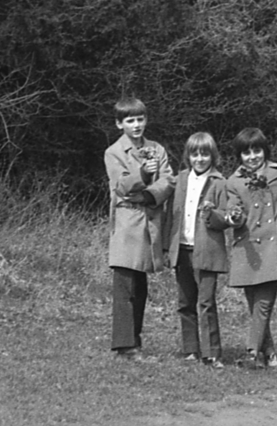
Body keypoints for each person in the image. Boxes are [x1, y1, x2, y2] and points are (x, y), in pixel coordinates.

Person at [105, 95, 174, 359]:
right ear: (119, 124)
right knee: (125, 286)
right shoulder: (113, 152)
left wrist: (147, 194)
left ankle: (134, 341)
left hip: (149, 224)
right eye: (130, 120)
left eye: (140, 119)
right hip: (126, 224)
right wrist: (143, 174)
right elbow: (121, 186)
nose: (136, 125)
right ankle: (124, 345)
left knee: (140, 287)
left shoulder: (157, 149)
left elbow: (169, 181)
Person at [221, 126, 277, 368]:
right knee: (256, 307)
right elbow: (234, 211)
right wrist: (234, 217)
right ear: (239, 155)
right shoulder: (233, 181)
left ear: (265, 150)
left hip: (272, 248)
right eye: (246, 152)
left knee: (263, 304)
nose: (252, 157)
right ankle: (270, 354)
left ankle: (252, 354)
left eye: (257, 150)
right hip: (247, 248)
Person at [166, 131, 231, 368]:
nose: (200, 159)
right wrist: (166, 246)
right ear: (188, 156)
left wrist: (213, 214)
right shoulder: (180, 179)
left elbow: (226, 216)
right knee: (185, 302)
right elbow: (170, 214)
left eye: (205, 154)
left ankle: (211, 352)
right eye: (195, 154)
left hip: (207, 250)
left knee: (206, 302)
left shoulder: (219, 182)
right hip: (182, 248)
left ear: (212, 156)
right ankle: (190, 349)